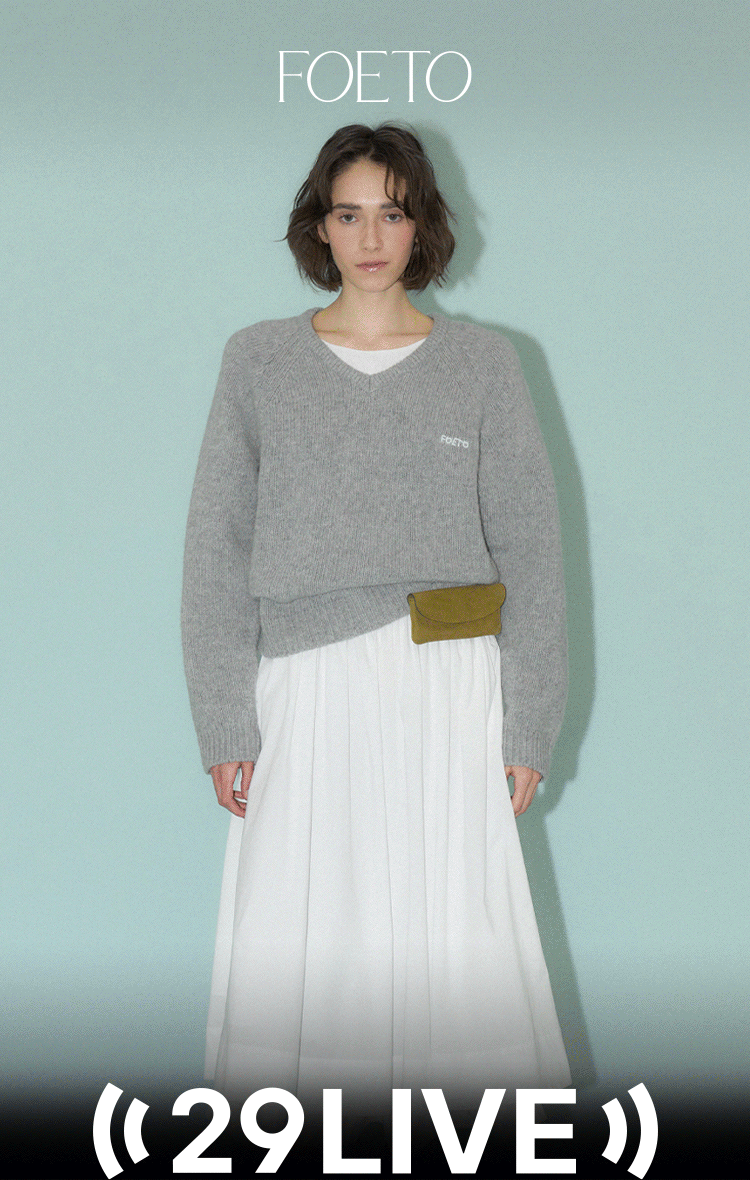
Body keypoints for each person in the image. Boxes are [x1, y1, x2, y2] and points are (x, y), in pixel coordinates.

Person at [181, 123, 571, 1123]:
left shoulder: (484, 365)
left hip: (449, 679)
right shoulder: (258, 360)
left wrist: (528, 724)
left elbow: (532, 549)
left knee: (457, 936)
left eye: (391, 213)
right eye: (347, 213)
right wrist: (224, 720)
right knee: (301, 934)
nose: (369, 237)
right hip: (304, 682)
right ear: (319, 226)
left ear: (421, 224)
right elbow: (216, 547)